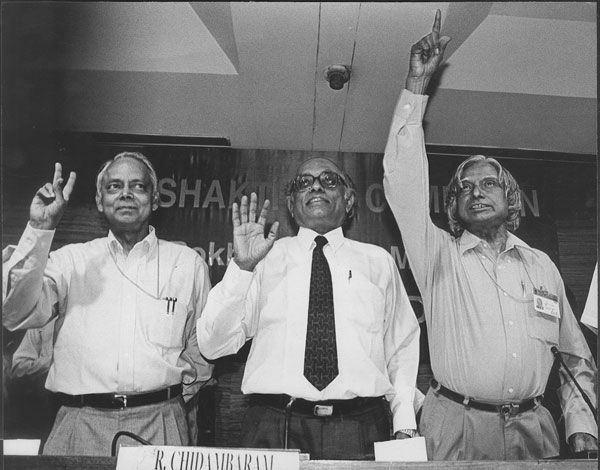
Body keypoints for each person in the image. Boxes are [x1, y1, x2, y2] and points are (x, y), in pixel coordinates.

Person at [382, 10, 598, 460]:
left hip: (534, 427)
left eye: (488, 183)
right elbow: (402, 180)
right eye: (463, 187)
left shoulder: (541, 266)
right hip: (456, 426)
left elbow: (575, 358)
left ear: (512, 199)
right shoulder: (438, 254)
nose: (474, 191)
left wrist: (581, 422)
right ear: (454, 209)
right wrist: (416, 87)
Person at [198, 157, 421, 460]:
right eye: (304, 182)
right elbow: (213, 345)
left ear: (349, 198)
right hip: (273, 426)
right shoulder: (262, 259)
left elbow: (401, 347)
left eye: (329, 180)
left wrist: (405, 421)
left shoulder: (378, 261)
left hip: (360, 428)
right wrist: (242, 268)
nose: (316, 185)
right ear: (292, 204)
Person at [2, 152, 214, 455]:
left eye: (138, 186)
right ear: (100, 201)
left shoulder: (187, 264)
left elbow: (202, 353)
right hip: (80, 424)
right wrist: (40, 229)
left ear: (154, 200)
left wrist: (168, 404)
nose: (126, 193)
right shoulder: (69, 261)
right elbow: (14, 313)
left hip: (161, 424)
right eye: (114, 186)